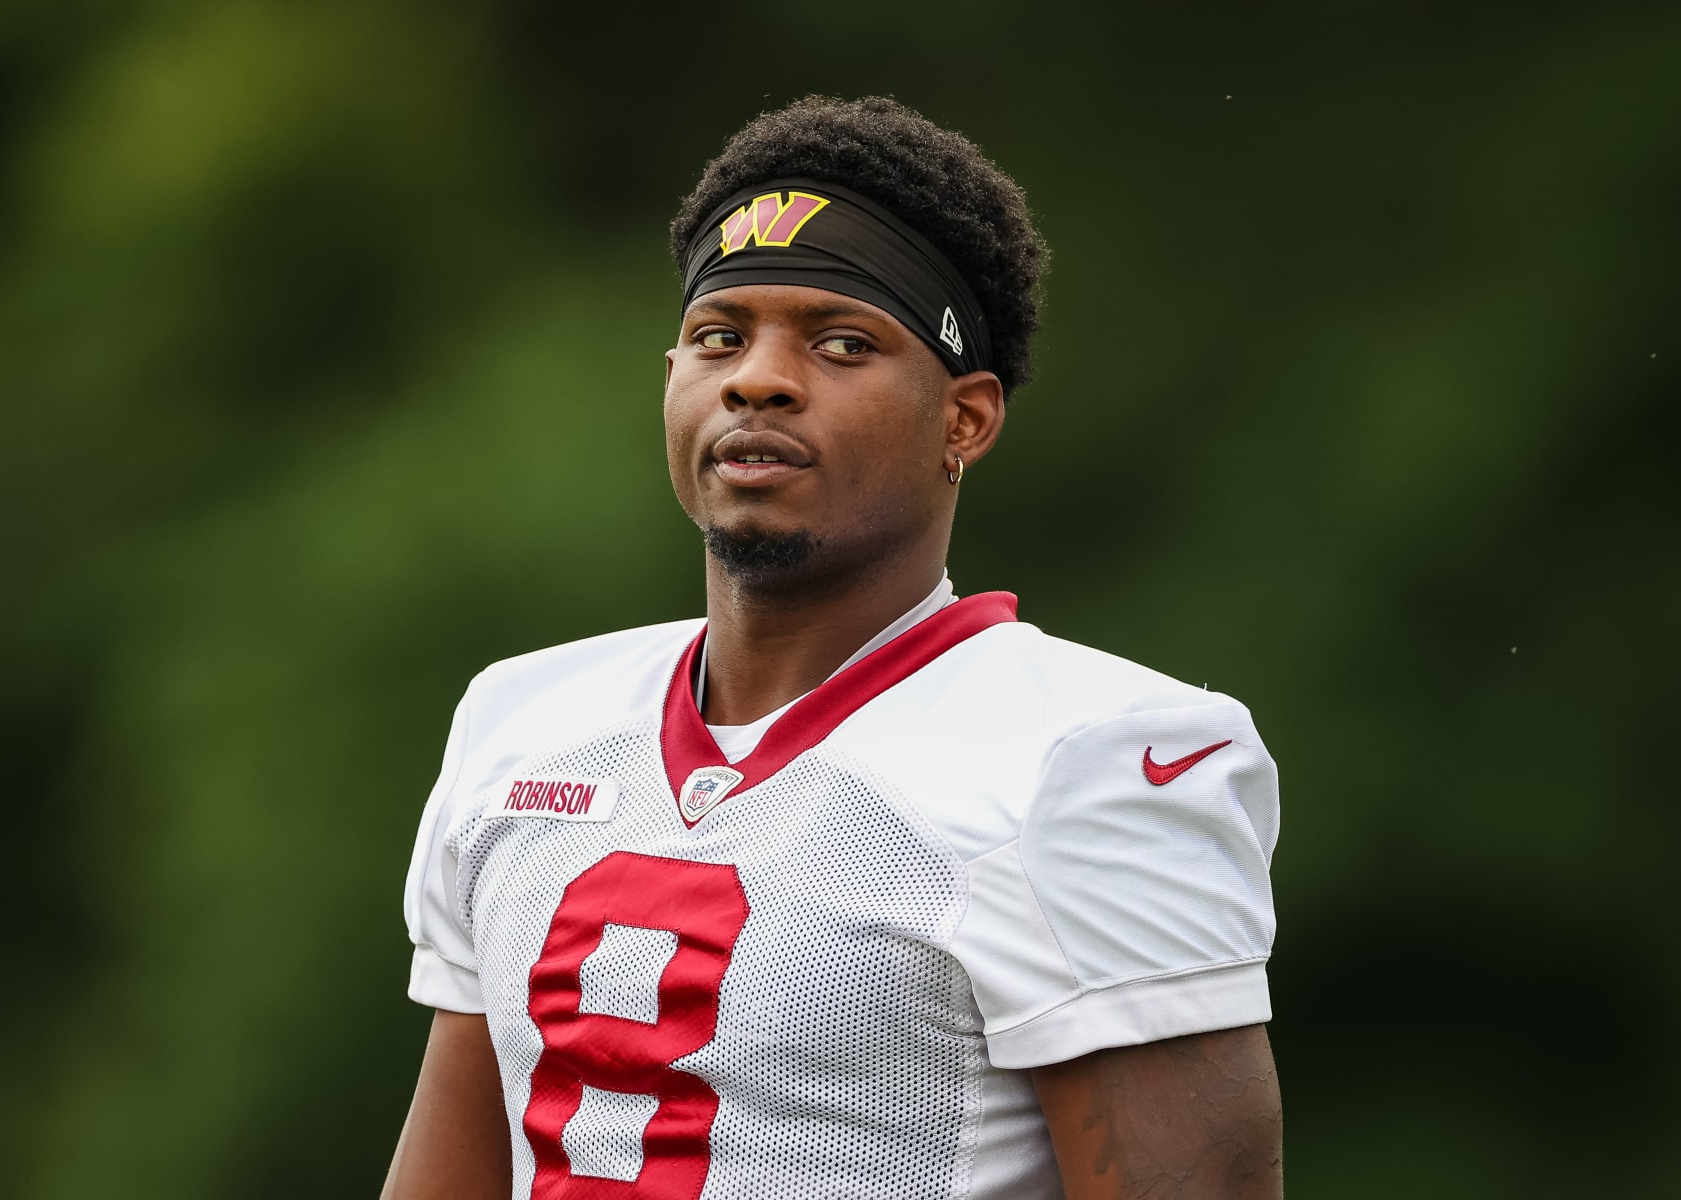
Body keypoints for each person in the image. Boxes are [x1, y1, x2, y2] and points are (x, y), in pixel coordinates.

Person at [381, 95, 1281, 1200]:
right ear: (671, 379)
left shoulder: (1087, 756)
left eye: (843, 342)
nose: (758, 378)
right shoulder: (521, 723)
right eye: (720, 336)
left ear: (966, 420)